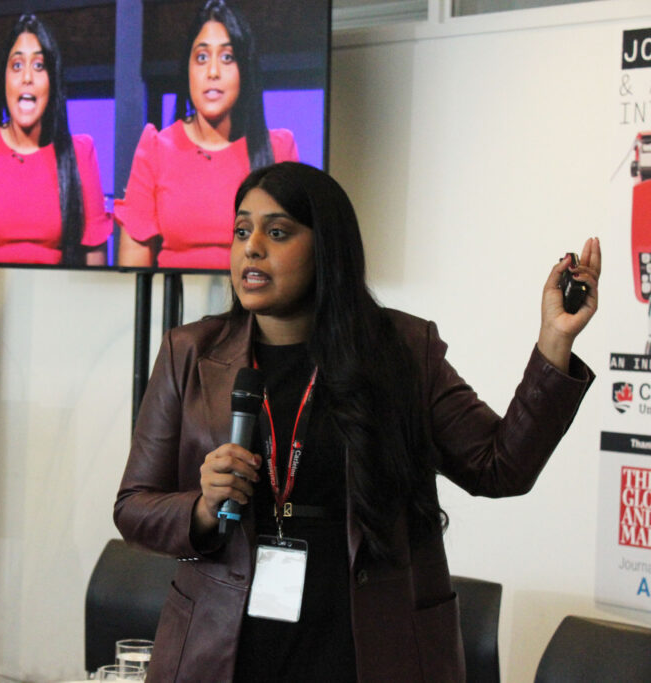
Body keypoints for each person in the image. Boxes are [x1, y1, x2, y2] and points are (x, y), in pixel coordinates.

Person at [114, 162, 599, 681]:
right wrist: (203, 507)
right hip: (225, 651)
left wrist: (554, 344)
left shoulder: (405, 351)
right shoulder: (188, 353)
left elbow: (500, 467)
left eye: (277, 232)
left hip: (369, 650)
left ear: (328, 248)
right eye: (241, 230)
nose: (252, 247)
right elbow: (134, 507)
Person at [115, 0, 300, 270]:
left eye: (227, 58)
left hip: (254, 307)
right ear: (188, 69)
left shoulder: (278, 149)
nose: (212, 72)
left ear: (244, 69)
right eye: (202, 57)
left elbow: (292, 262)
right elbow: (133, 277)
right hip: (173, 303)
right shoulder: (156, 147)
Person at [0, 13, 111, 267]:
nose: (27, 77)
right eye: (17, 65)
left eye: (39, 66)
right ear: (4, 78)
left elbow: (96, 262)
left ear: (53, 80)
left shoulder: (80, 153)